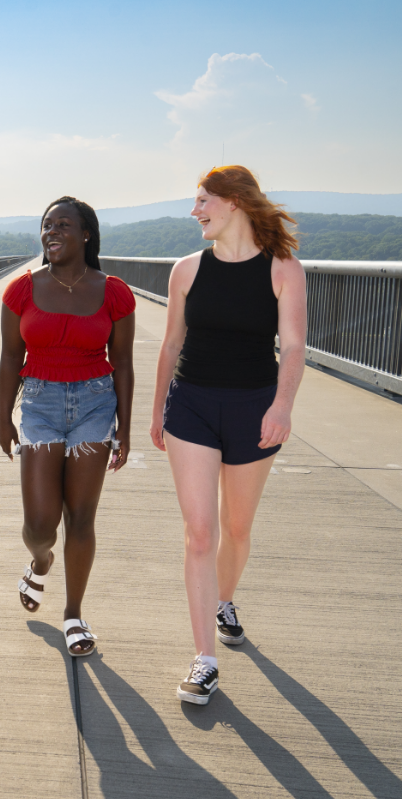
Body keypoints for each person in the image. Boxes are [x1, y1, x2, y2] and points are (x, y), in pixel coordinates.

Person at [150, 166, 307, 705]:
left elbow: (293, 345)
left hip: (254, 408)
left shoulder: (283, 269)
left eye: (203, 201)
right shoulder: (186, 270)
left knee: (236, 527)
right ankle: (205, 660)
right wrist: (157, 410)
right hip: (191, 405)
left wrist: (282, 405)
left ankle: (224, 600)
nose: (195, 211)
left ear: (234, 202)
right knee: (200, 533)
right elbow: (171, 345)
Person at [0, 196, 135, 656]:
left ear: (86, 234)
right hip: (39, 404)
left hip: (96, 405)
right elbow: (10, 357)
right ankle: (40, 562)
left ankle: (74, 613)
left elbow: (123, 362)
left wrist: (125, 426)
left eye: (62, 225)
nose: (51, 232)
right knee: (40, 525)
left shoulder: (113, 292)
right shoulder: (22, 290)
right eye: (46, 225)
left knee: (81, 516)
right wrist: (3, 416)